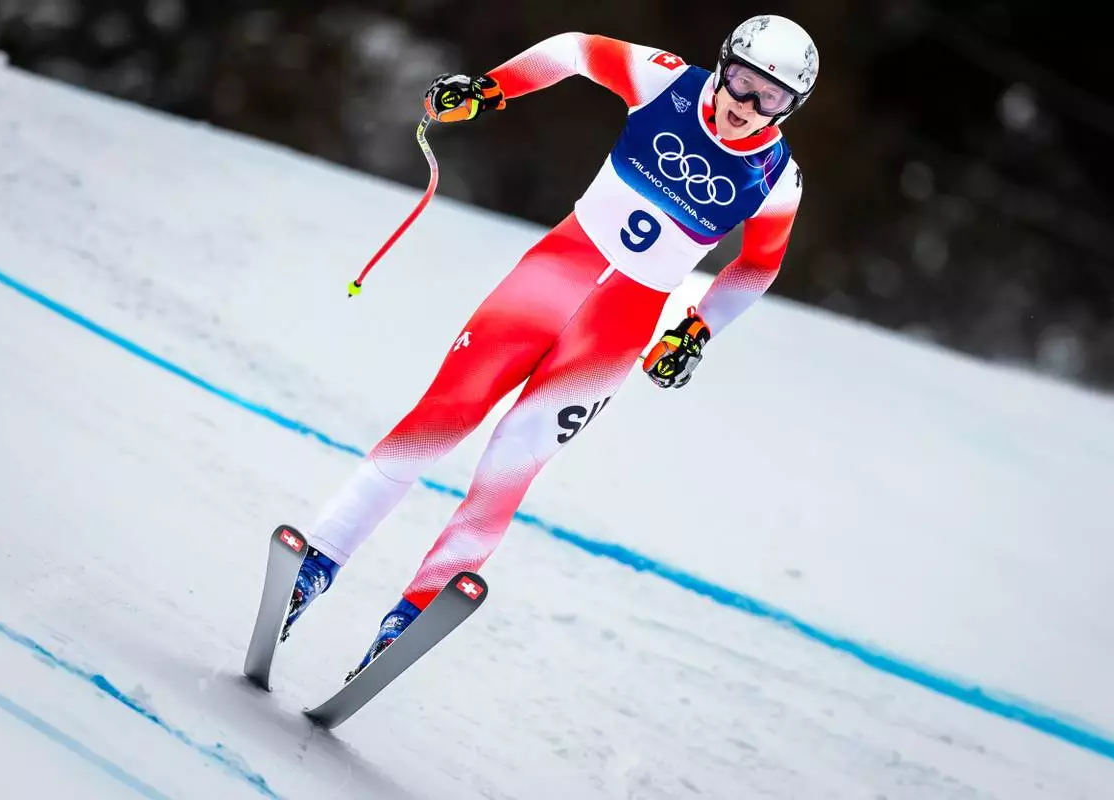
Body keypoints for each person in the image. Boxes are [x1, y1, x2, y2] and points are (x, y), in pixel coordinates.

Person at [282, 14, 818, 680]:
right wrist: (490, 89)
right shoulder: (665, 83)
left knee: (512, 464)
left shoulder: (778, 179)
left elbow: (758, 266)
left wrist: (700, 327)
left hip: (615, 330)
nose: (743, 104)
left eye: (767, 97)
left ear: (789, 107)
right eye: (740, 80)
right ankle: (317, 564)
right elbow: (572, 51)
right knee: (441, 415)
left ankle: (410, 616)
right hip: (549, 279)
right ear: (724, 64)